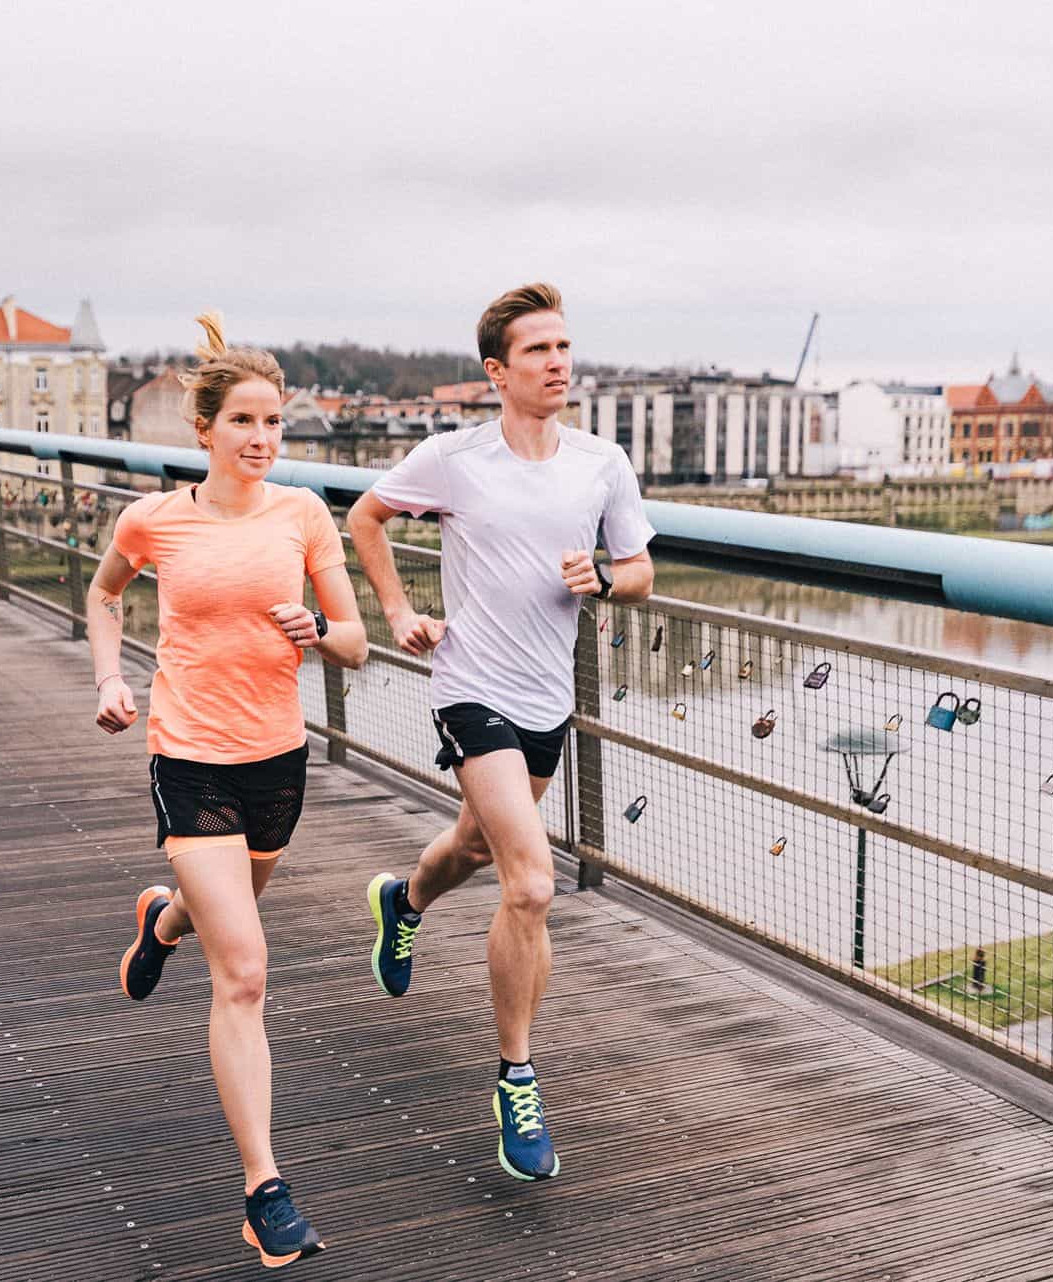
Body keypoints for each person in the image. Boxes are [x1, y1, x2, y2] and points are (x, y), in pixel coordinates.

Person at [346, 283, 655, 1182]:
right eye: (537, 352)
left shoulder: (601, 462)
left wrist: (603, 575)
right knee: (532, 884)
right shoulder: (454, 458)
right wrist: (399, 608)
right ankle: (517, 1078)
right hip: (470, 685)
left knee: (480, 844)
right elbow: (366, 517)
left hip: (545, 696)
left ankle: (402, 902)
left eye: (564, 347)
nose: (559, 363)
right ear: (497, 371)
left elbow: (640, 570)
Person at [89, 312, 367, 1269]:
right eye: (243, 421)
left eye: (274, 423)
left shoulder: (302, 515)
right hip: (190, 756)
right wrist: (110, 678)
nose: (261, 439)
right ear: (203, 430)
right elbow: (103, 592)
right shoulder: (155, 519)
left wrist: (315, 630)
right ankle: (265, 1191)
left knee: (225, 917)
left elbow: (355, 642)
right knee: (244, 969)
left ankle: (162, 921)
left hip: (276, 761)